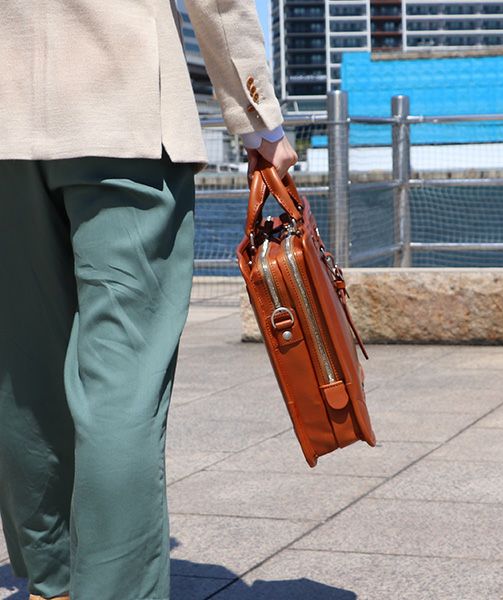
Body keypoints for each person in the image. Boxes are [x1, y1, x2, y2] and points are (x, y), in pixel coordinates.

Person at [0, 1, 297, 599]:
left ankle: (54, 584)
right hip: (122, 106)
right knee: (122, 379)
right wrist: (259, 120)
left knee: (24, 373)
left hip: (7, 119)